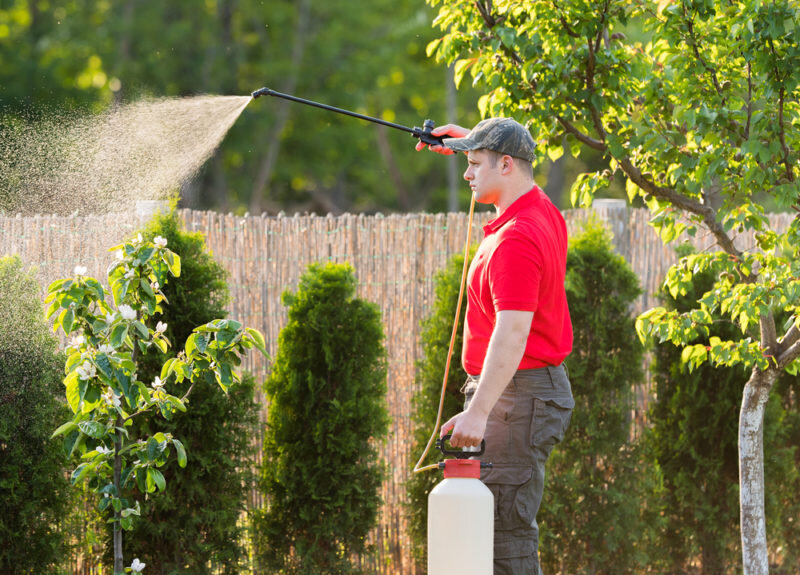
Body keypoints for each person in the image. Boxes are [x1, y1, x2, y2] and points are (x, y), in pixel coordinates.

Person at [418, 118, 575, 575]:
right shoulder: (537, 207)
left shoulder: (516, 239)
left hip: (515, 398)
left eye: (474, 164)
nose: (466, 174)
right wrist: (468, 141)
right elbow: (507, 163)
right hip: (521, 393)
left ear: (506, 164)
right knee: (491, 530)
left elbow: (512, 333)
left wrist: (480, 412)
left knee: (503, 537)